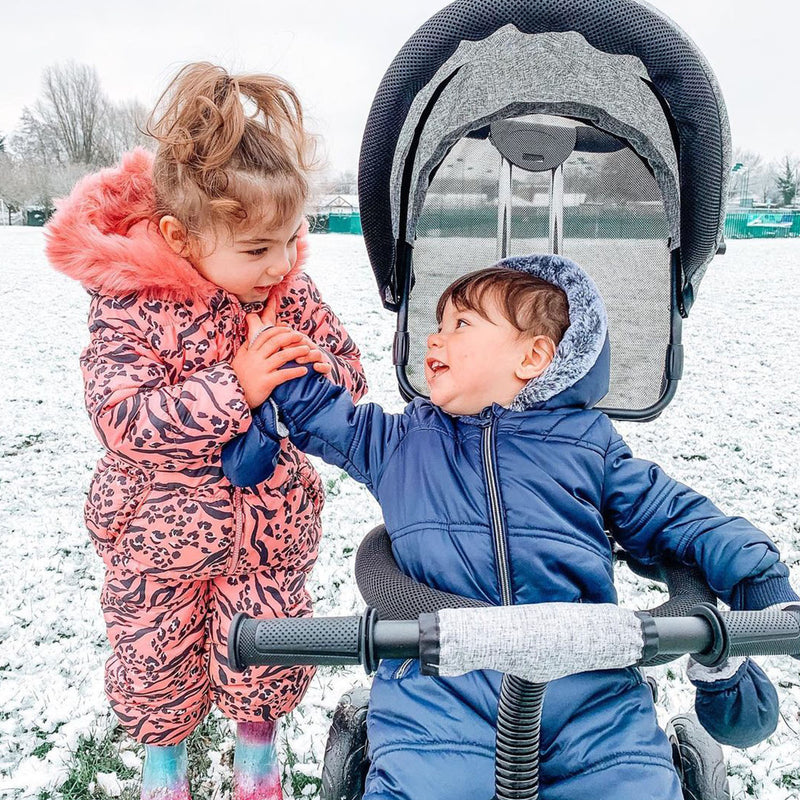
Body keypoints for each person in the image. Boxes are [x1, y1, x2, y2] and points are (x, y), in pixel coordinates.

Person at [222, 255, 798, 800]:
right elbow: (329, 418)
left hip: (589, 687)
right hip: (440, 688)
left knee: (630, 783)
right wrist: (283, 362)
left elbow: (674, 514)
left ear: (533, 358)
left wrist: (759, 579)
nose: (434, 337)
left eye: (461, 323)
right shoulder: (401, 443)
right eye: (437, 323)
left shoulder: (589, 447)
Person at [46, 63, 368, 800]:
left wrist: (315, 375)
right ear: (179, 236)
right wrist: (237, 387)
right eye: (258, 249)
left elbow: (350, 373)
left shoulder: (289, 290)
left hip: (267, 531)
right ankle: (167, 772)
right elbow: (122, 418)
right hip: (157, 538)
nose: (282, 264)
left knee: (266, 654)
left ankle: (258, 762)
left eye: (292, 239)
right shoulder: (131, 303)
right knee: (156, 660)